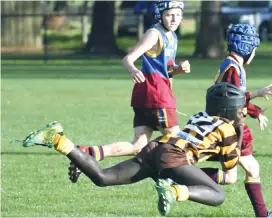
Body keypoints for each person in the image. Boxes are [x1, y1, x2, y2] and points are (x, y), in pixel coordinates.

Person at [20, 82, 248, 217]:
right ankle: (174, 192)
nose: (243, 114)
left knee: (103, 177)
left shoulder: (201, 115)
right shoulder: (228, 129)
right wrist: (239, 141)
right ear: (228, 110)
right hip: (174, 157)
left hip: (157, 147)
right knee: (218, 196)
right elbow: (229, 173)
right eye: (240, 110)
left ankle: (58, 139)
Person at [66, 0, 190, 183]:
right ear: (160, 15)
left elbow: (165, 69)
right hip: (157, 95)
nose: (174, 19)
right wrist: (133, 70)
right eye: (169, 14)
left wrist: (178, 69)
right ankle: (169, 180)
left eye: (178, 15)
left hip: (147, 94)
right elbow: (128, 58)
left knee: (138, 145)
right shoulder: (154, 34)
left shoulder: (172, 36)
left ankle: (86, 154)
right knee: (176, 140)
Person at [199, 24, 272, 217]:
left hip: (226, 124)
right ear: (247, 48)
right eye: (254, 48)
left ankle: (176, 177)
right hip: (230, 128)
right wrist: (256, 109)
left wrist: (256, 104)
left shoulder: (231, 64)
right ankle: (176, 177)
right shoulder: (234, 67)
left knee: (233, 175)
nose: (254, 53)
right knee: (247, 170)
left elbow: (235, 96)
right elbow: (234, 100)